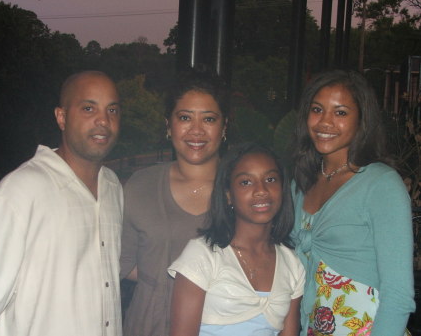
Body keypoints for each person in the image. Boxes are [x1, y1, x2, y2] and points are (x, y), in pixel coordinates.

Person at [0, 71, 124, 336]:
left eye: (112, 110)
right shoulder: (23, 189)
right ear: (61, 117)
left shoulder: (112, 186)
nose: (103, 120)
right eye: (88, 108)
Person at [291, 69, 415, 336]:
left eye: (340, 112)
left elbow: (399, 293)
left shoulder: (381, 185)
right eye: (317, 109)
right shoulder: (299, 184)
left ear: (361, 120)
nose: (325, 122)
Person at [120, 72, 229, 336]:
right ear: (168, 125)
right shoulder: (140, 185)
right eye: (184, 117)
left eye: (209, 119)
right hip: (150, 323)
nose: (196, 130)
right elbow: (123, 263)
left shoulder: (243, 187)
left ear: (224, 127)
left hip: (222, 324)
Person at [168, 142, 305, 336]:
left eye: (271, 179)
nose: (261, 190)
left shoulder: (292, 264)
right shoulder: (203, 255)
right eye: (246, 182)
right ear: (228, 195)